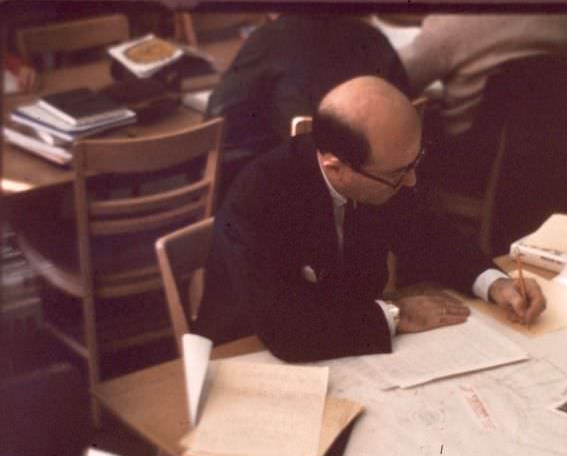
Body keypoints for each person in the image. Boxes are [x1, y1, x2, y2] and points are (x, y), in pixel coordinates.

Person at [195, 76, 546, 363]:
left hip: (348, 350)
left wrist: (495, 284)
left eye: (414, 163)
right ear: (337, 168)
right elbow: (285, 329)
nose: (411, 182)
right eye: (399, 174)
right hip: (246, 356)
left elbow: (429, 235)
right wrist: (396, 314)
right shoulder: (260, 195)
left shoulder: (382, 168)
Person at [398, 14, 567, 255]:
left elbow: (392, 76)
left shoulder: (453, 22)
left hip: (476, 169)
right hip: (553, 164)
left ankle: (415, 260)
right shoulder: (564, 17)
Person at [205, 14, 411, 202]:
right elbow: (409, 109)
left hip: (302, 193)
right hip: (380, 189)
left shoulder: (269, 39)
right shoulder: (374, 36)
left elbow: (216, 115)